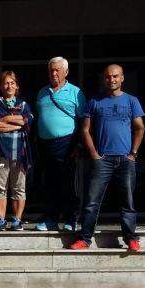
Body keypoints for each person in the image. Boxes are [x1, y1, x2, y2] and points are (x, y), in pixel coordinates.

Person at [69, 64, 145, 251]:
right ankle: (85, 239)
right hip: (102, 160)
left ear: (122, 78)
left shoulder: (131, 101)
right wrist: (94, 154)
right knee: (91, 202)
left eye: (115, 76)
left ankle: (131, 238)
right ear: (104, 79)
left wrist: (133, 153)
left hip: (125, 160)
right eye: (107, 77)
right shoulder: (95, 101)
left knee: (127, 201)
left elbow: (140, 127)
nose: (111, 80)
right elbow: (85, 130)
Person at [35, 56, 88, 232]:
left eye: (58, 69)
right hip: (45, 144)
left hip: (67, 143)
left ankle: (70, 219)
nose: (54, 73)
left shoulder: (75, 92)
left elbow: (84, 121)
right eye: (51, 70)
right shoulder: (42, 92)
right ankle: (50, 217)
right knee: (49, 183)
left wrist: (79, 144)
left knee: (67, 182)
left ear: (66, 71)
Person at [0, 71, 34, 231]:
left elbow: (28, 122)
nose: (9, 86)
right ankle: (1, 220)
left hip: (20, 152)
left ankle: (17, 220)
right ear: (1, 86)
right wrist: (16, 123)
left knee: (19, 187)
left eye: (12, 83)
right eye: (6, 83)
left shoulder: (24, 104)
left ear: (17, 86)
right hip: (0, 152)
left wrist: (5, 119)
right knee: (0, 187)